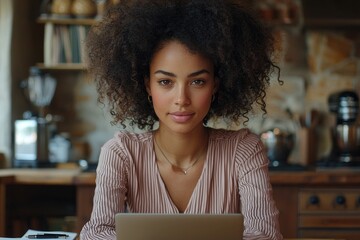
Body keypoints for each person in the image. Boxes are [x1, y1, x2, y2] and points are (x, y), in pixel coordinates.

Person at [80, 0, 283, 239]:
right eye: (165, 82)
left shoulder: (244, 151)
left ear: (215, 86)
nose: (182, 99)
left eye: (198, 81)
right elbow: (97, 233)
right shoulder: (121, 154)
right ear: (147, 85)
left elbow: (266, 235)